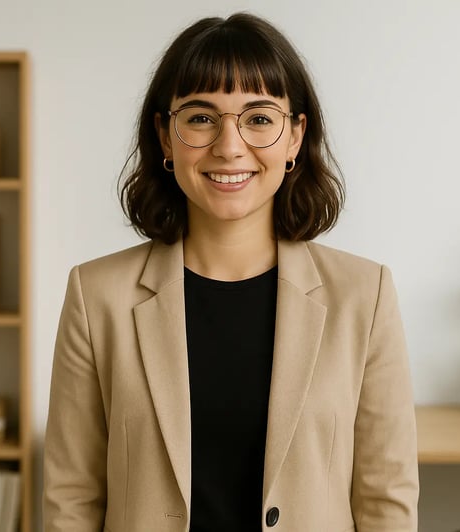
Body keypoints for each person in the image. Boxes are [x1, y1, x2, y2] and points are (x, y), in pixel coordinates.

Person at [44, 12, 418, 532]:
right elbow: (71, 498)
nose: (229, 144)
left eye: (258, 118)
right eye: (201, 117)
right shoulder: (96, 296)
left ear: (294, 137)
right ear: (165, 136)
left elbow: (386, 499)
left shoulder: (365, 295)